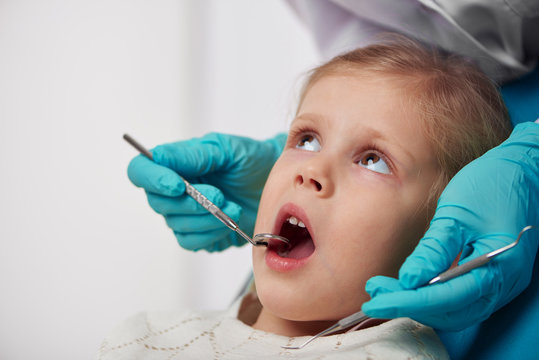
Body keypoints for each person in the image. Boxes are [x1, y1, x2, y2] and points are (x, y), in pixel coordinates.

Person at [127, 1, 539, 345]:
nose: (311, 170)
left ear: (441, 245)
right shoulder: (144, 337)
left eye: (373, 160)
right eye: (306, 139)